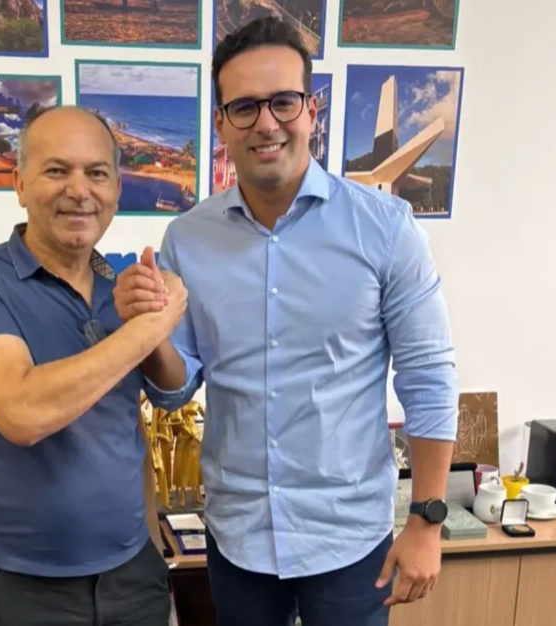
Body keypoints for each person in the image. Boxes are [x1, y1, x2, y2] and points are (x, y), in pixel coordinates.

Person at [113, 17, 459, 626]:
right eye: (244, 107)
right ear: (221, 123)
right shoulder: (187, 239)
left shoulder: (385, 228)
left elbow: (428, 377)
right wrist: (148, 330)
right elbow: (175, 388)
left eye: (283, 102)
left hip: (350, 540)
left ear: (310, 109)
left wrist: (427, 520)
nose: (266, 123)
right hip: (238, 537)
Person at [0, 104, 185, 626]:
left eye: (97, 173)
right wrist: (149, 328)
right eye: (56, 170)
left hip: (133, 574)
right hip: (22, 588)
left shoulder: (122, 282)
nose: (79, 190)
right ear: (20, 184)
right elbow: (22, 412)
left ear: (117, 188)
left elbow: (172, 392)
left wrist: (153, 325)